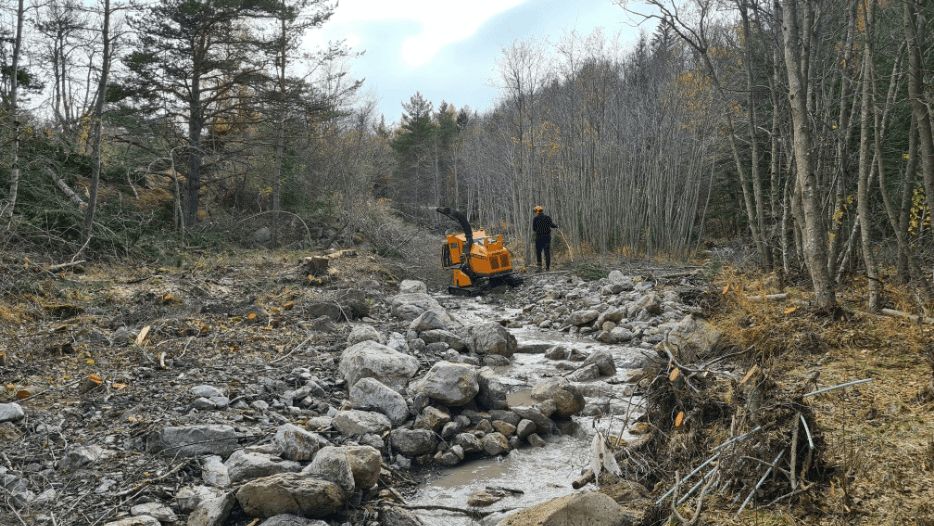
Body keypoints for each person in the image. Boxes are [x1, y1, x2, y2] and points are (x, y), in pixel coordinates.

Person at [532, 205, 558, 271]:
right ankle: (547, 268)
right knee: (547, 253)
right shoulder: (548, 218)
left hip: (539, 238)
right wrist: (556, 226)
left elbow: (534, 229)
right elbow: (552, 225)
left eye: (535, 211)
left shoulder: (535, 219)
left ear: (537, 212)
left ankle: (539, 268)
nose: (535, 212)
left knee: (538, 252)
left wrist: (539, 229)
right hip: (547, 237)